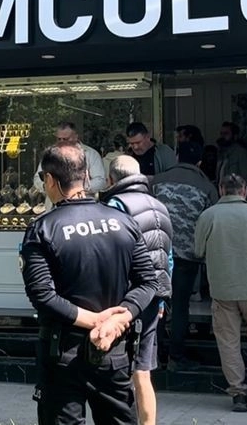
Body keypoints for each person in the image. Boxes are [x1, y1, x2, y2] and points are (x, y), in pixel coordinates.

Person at [20, 145, 159, 424]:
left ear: (50, 180)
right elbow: (148, 282)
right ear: (85, 176)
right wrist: (117, 319)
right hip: (113, 347)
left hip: (63, 353)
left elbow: (41, 295)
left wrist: (95, 320)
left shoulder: (43, 228)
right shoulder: (123, 221)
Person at [194, 174, 247, 412]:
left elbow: (198, 250)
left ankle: (238, 393)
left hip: (222, 290)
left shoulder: (208, 216)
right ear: (245, 190)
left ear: (221, 190)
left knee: (228, 341)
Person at [99, 155, 172, 425]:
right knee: (143, 370)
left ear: (111, 179)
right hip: (154, 296)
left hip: (126, 299)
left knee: (117, 368)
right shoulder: (159, 205)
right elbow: (168, 257)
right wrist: (162, 298)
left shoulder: (115, 206)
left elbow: (111, 255)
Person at [151, 141, 218, 370]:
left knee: (157, 303)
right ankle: (176, 357)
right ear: (199, 162)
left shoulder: (157, 181)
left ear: (177, 157)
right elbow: (212, 221)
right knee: (180, 306)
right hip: (188, 257)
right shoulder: (206, 187)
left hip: (158, 253)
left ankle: (154, 356)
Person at [33, 121, 108, 199]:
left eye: (65, 139)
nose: (61, 142)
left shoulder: (91, 154)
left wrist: (76, 188)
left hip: (81, 202)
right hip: (54, 203)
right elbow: (38, 178)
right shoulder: (50, 155)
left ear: (76, 137)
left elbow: (100, 181)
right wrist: (48, 186)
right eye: (59, 139)